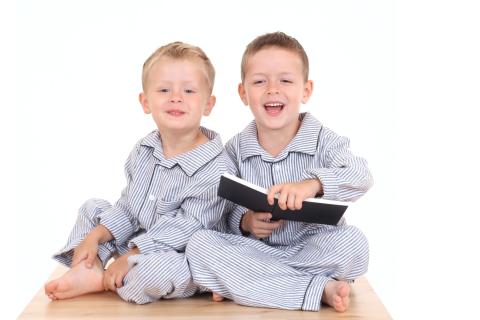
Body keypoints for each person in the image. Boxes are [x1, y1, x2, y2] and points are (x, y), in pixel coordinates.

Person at [186, 32, 373, 312]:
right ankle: (316, 288)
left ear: (306, 90)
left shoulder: (323, 139)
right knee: (199, 244)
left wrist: (312, 185)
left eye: (285, 80)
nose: (272, 89)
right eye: (260, 81)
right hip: (254, 250)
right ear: (243, 93)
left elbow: (361, 175)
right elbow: (219, 210)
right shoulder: (234, 149)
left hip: (312, 249)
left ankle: (246, 283)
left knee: (355, 244)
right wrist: (246, 222)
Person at [44, 41, 231, 304]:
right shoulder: (144, 149)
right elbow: (129, 206)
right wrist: (96, 236)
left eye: (189, 90)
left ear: (208, 105)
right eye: (164, 90)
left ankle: (102, 279)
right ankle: (91, 267)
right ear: (146, 101)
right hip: (137, 239)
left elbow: (186, 228)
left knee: (155, 272)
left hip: (180, 253)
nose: (176, 97)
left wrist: (130, 256)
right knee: (92, 207)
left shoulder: (217, 167)